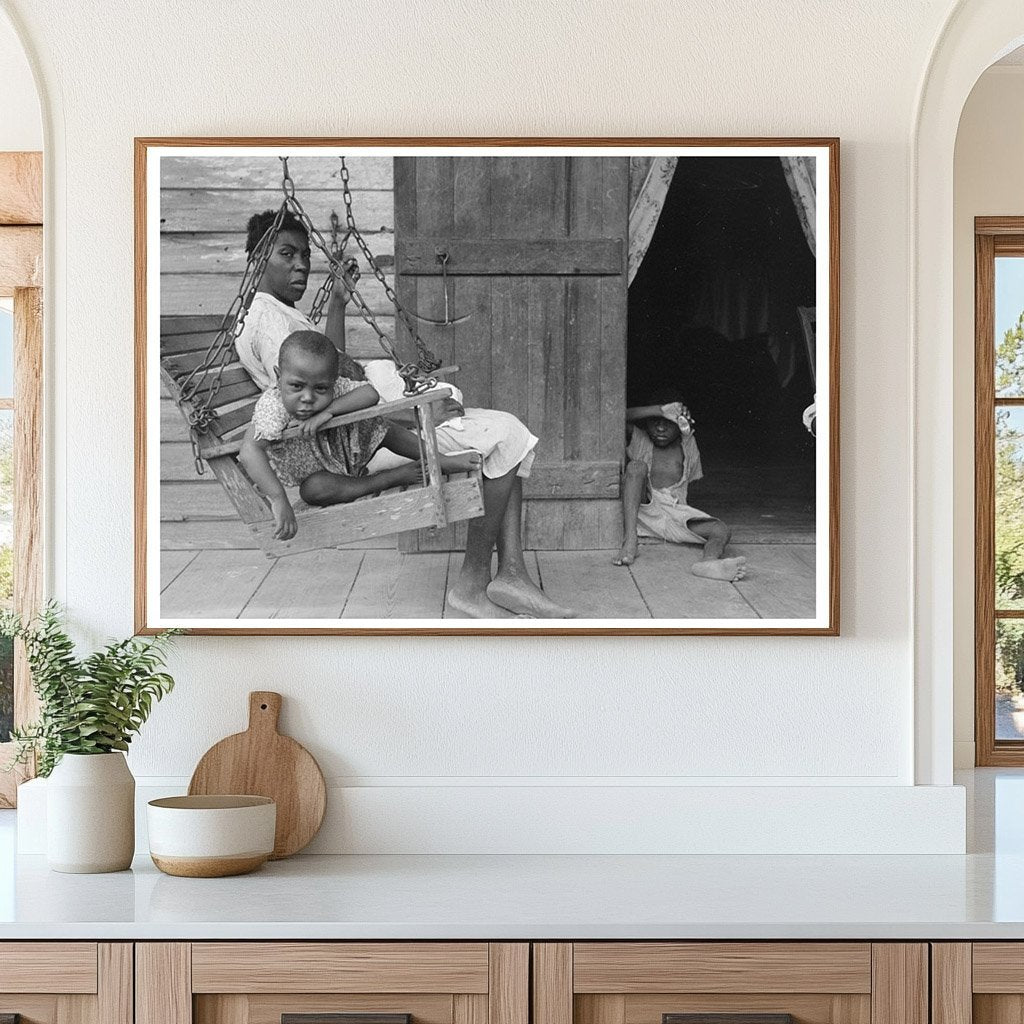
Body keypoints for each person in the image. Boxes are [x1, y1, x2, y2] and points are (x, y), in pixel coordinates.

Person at [234, 210, 574, 618]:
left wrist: (338, 303)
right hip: (349, 450)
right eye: (287, 254)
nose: (302, 264)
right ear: (257, 260)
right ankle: (477, 583)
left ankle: (511, 573)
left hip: (354, 433)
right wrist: (413, 416)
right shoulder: (270, 321)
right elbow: (311, 395)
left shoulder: (280, 313)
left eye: (304, 254)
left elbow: (329, 370)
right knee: (505, 435)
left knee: (501, 433)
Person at [239, 331, 481, 541]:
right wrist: (278, 499)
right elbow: (250, 450)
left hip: (348, 453)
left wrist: (329, 411)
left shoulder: (334, 387)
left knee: (381, 427)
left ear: (333, 383)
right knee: (312, 490)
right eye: (296, 386)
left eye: (321, 389)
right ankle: (388, 479)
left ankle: (440, 460)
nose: (308, 398)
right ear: (278, 376)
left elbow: (369, 394)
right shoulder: (273, 406)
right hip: (321, 475)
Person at [612, 395, 747, 582]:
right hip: (642, 509)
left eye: (668, 423)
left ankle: (709, 563)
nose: (660, 428)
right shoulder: (640, 440)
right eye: (655, 422)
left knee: (721, 530)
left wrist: (680, 415)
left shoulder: (688, 443)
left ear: (681, 425)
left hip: (674, 513)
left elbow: (686, 430)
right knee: (636, 467)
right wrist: (660, 409)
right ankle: (630, 540)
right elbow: (614, 417)